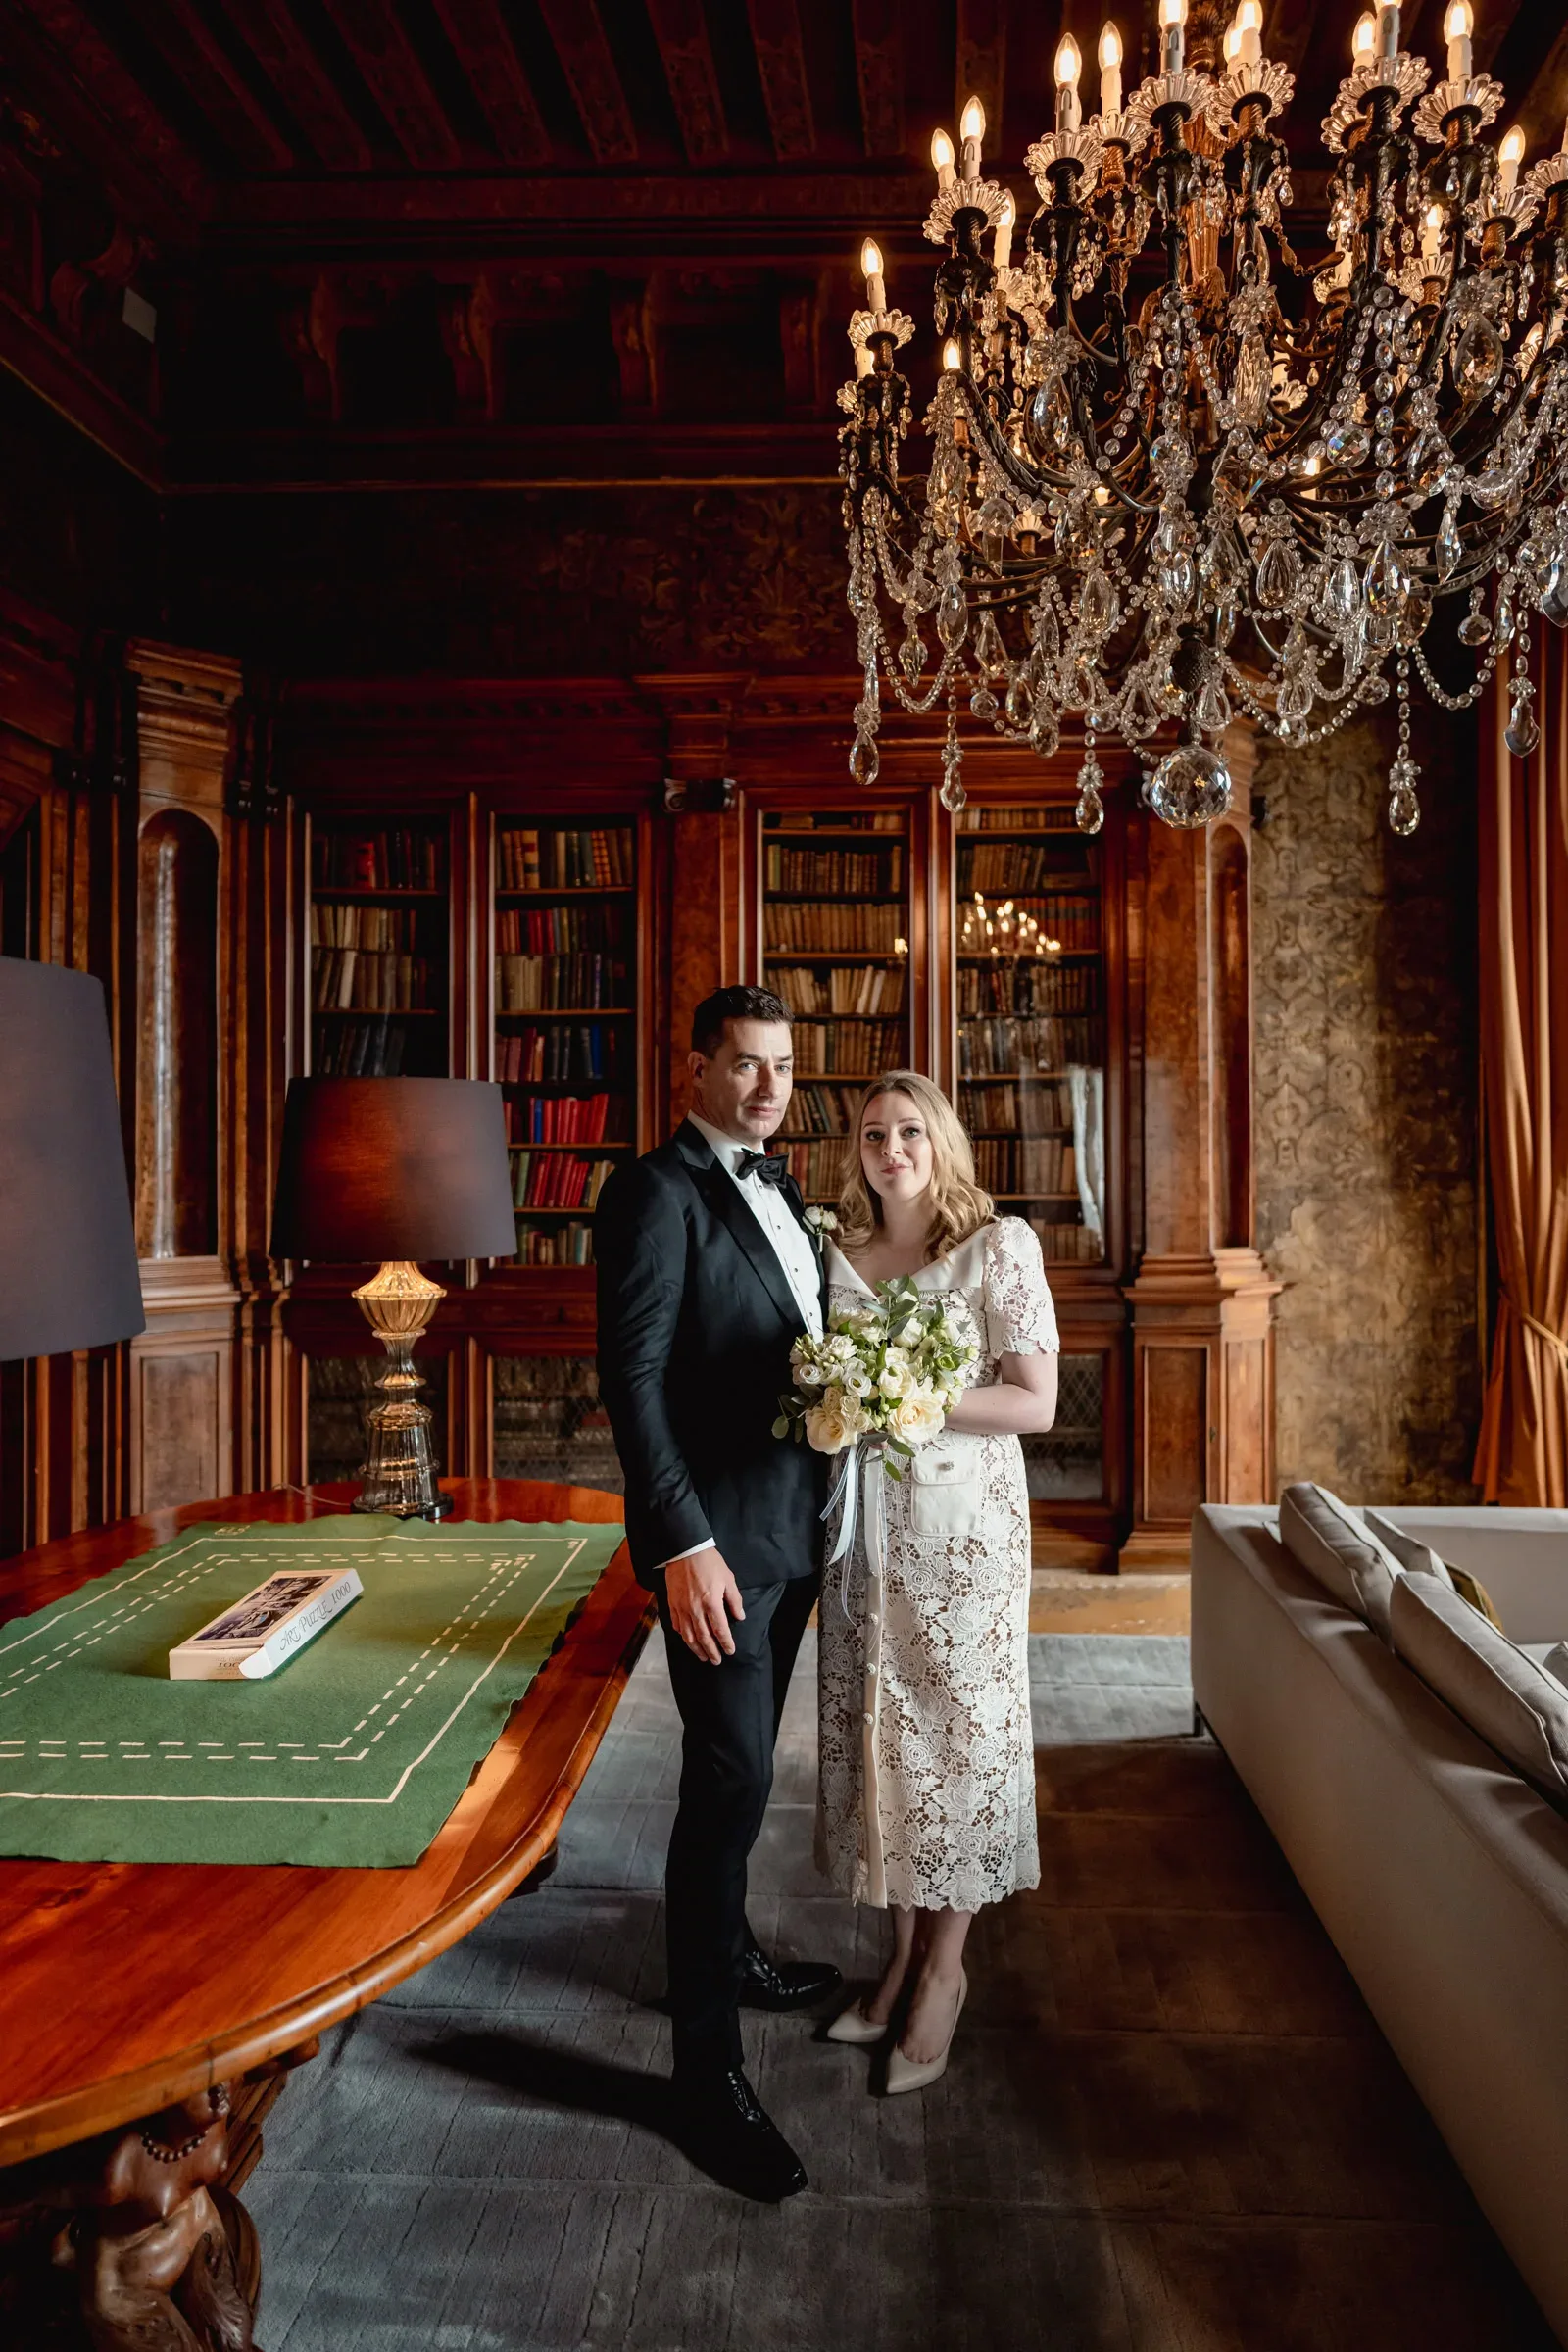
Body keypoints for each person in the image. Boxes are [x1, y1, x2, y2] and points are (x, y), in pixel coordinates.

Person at [594, 984, 840, 2201]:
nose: (766, 1087)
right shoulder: (654, 1191)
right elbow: (631, 1380)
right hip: (717, 1549)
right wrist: (680, 1543)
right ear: (693, 1068)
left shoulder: (785, 1187)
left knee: (748, 1766)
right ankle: (703, 2074)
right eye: (743, 1064)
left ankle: (730, 1949)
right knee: (729, 1776)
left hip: (793, 1531)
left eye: (781, 1067)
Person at [816, 1069, 1058, 2091]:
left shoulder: (996, 1246)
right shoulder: (836, 1251)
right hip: (863, 1537)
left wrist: (909, 1397)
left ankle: (945, 1971)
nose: (892, 1150)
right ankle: (901, 1957)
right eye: (875, 1134)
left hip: (964, 1540)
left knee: (958, 1743)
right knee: (885, 1740)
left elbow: (1034, 1402)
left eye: (911, 1131)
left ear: (941, 1141)